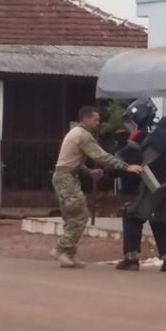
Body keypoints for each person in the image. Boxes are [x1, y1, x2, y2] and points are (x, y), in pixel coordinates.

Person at [50, 105, 142, 268]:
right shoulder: (83, 135)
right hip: (66, 178)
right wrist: (126, 166)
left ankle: (69, 255)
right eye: (95, 119)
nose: (98, 123)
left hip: (66, 176)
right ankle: (60, 249)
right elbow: (101, 156)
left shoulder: (76, 133)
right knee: (81, 215)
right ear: (85, 119)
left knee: (72, 216)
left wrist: (89, 172)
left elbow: (71, 160)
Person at [115, 98, 166, 273]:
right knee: (162, 219)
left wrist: (113, 162)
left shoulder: (144, 133)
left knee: (132, 215)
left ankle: (131, 258)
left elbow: (127, 156)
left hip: (160, 181)